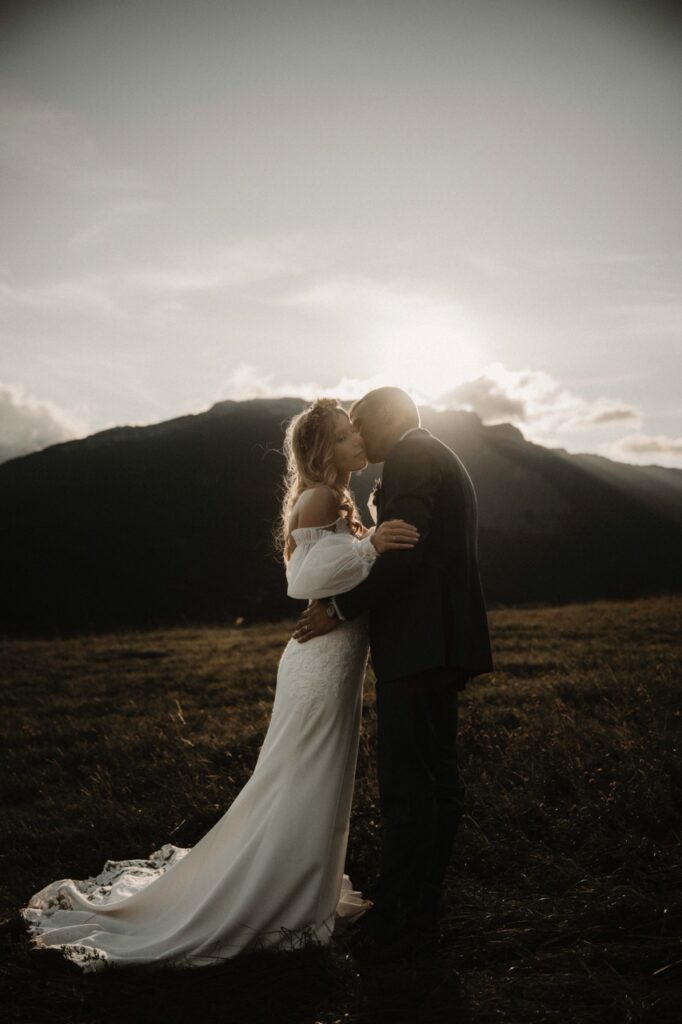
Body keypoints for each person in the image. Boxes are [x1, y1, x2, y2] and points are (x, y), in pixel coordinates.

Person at [20, 398, 419, 972]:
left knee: (313, 777)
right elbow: (303, 579)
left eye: (355, 433)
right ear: (319, 451)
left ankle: (300, 892)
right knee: (299, 778)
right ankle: (279, 901)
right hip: (320, 664)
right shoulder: (322, 496)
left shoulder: (332, 498)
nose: (357, 441)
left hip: (330, 660)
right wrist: (371, 544)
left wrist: (368, 540)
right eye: (342, 436)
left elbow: (331, 569)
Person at [293, 386, 493, 947]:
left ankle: (396, 915)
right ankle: (422, 904)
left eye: (359, 423)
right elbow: (417, 542)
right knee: (436, 780)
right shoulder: (429, 452)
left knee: (409, 784)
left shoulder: (412, 452)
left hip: (420, 644)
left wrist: (339, 608)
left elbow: (407, 553)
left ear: (387, 418)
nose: (357, 435)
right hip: (440, 643)